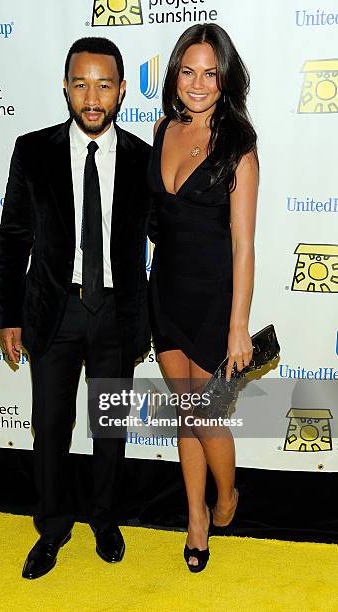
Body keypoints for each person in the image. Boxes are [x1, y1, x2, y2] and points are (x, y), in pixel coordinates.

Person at [0, 37, 151, 579]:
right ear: (65, 86)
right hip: (53, 312)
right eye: (81, 84)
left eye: (104, 85)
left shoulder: (142, 159)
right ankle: (52, 528)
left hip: (115, 314)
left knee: (109, 428)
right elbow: (14, 237)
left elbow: (168, 240)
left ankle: (105, 520)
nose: (92, 97)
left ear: (122, 90)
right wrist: (9, 315)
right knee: (51, 427)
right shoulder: (32, 150)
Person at [148, 23, 258, 572]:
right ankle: (196, 519)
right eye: (187, 71)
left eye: (209, 73)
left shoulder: (239, 146)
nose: (197, 83)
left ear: (225, 79)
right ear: (174, 75)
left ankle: (228, 496)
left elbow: (243, 245)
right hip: (164, 292)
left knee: (205, 415)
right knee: (184, 414)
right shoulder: (163, 127)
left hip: (214, 299)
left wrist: (239, 325)